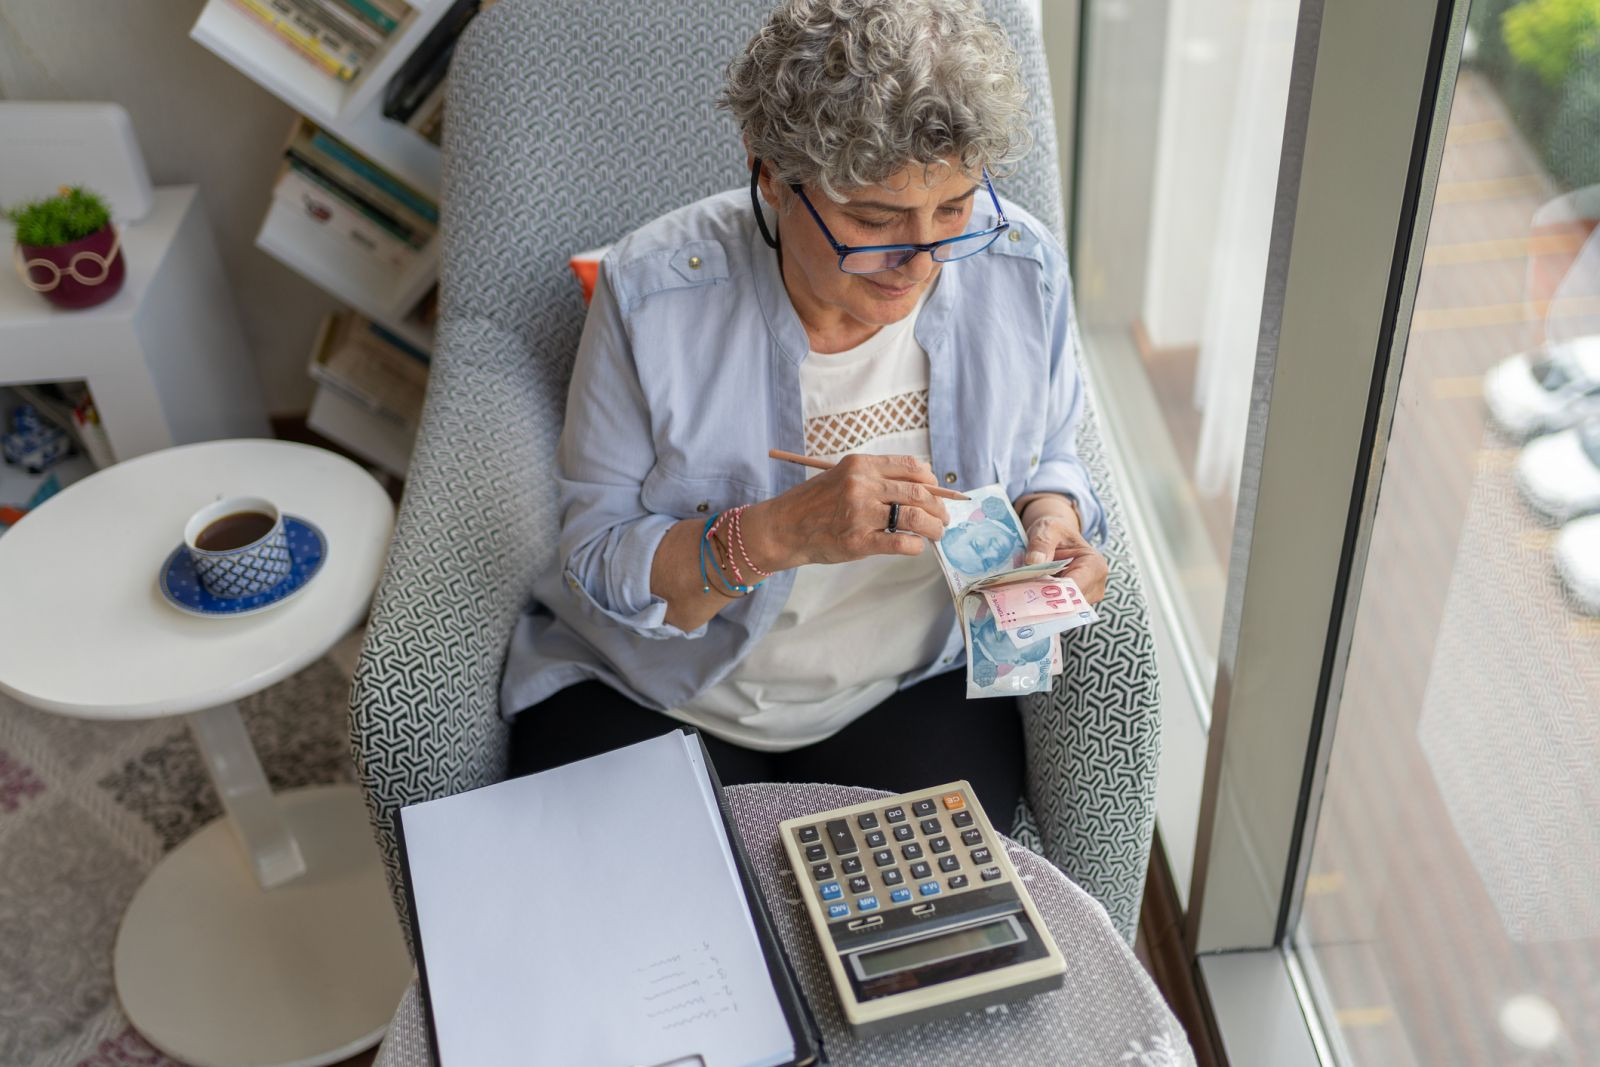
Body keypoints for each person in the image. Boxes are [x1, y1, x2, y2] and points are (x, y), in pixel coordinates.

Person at [499, 0, 1109, 832]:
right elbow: (598, 556)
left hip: (910, 688)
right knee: (648, 941)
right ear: (769, 177)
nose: (922, 261)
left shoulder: (1017, 263)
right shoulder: (653, 293)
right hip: (662, 689)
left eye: (954, 207)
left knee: (923, 946)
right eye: (873, 220)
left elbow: (1048, 449)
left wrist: (1054, 519)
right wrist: (779, 533)